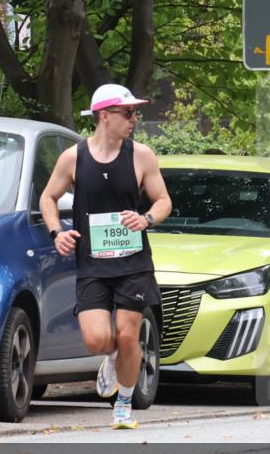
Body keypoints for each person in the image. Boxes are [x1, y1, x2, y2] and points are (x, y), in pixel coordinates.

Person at [41, 84, 172, 428]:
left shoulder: (141, 155)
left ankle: (123, 405)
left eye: (134, 113)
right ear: (104, 116)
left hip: (133, 262)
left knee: (129, 335)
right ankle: (113, 358)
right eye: (127, 113)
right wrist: (57, 232)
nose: (133, 119)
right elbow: (48, 198)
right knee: (96, 339)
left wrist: (145, 219)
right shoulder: (74, 158)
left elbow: (163, 201)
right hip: (93, 263)